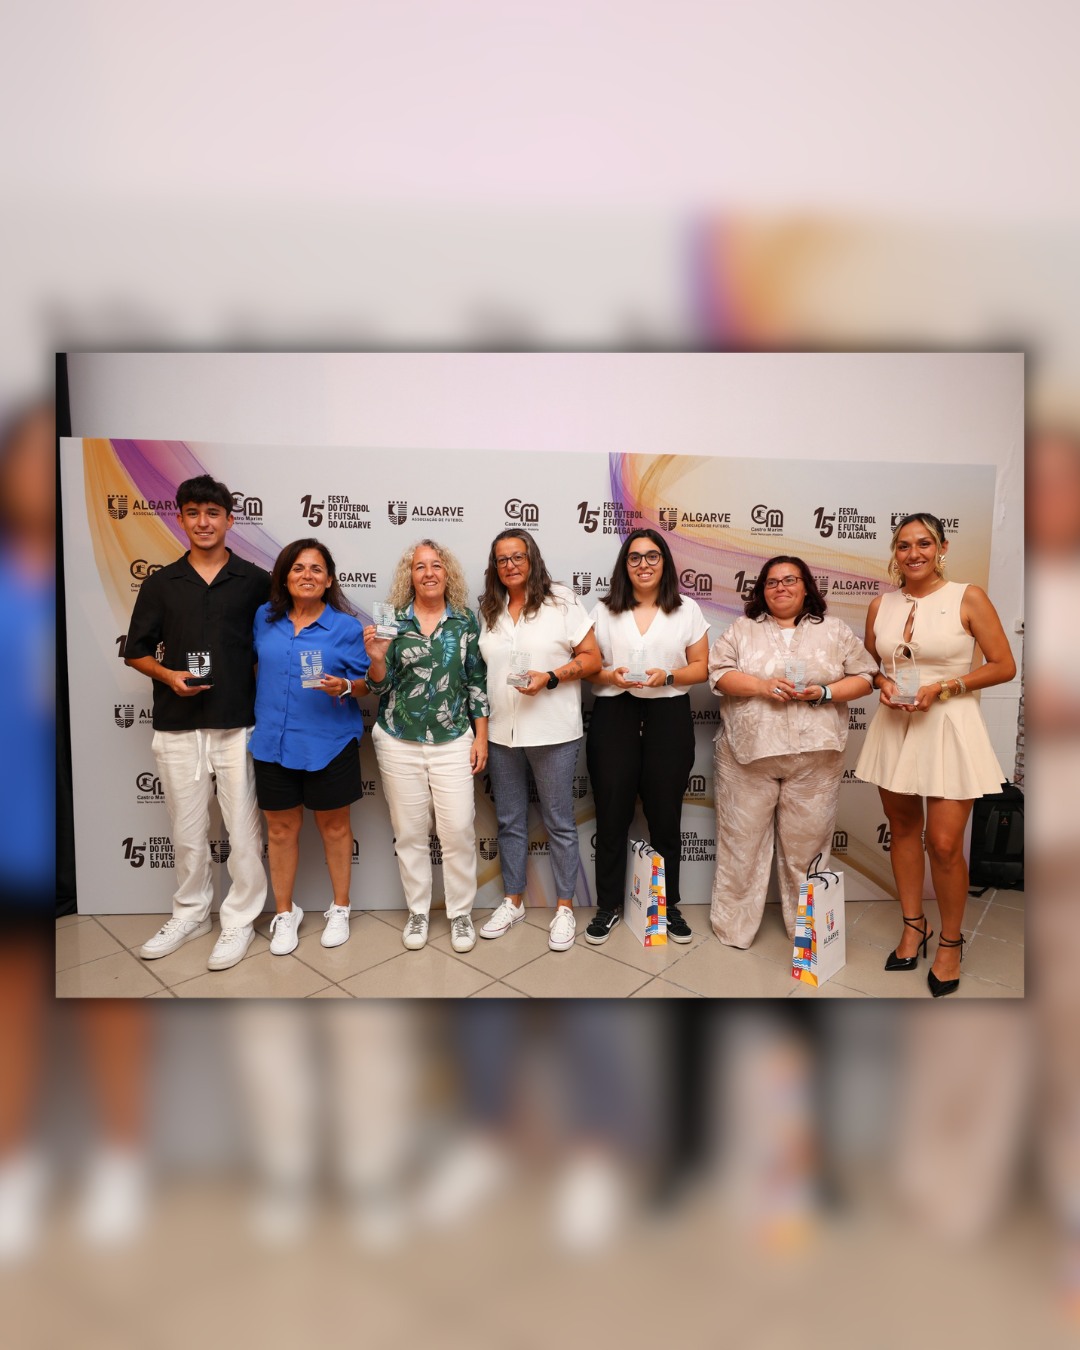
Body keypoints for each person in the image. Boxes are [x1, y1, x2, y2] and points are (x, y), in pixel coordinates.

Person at [855, 513, 1016, 996]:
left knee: (945, 845)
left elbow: (1004, 665)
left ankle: (950, 942)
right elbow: (872, 664)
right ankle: (913, 926)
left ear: (942, 548)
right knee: (903, 829)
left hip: (949, 725)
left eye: (924, 543)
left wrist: (945, 687)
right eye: (904, 545)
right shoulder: (880, 604)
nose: (914, 553)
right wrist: (882, 683)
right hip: (895, 725)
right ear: (895, 552)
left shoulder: (968, 596)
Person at [126, 474, 270, 970]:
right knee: (187, 833)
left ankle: (240, 920)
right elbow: (136, 651)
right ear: (180, 519)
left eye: (212, 513)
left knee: (244, 834)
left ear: (230, 520)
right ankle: (191, 914)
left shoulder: (256, 581)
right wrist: (168, 676)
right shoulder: (160, 583)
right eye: (193, 513)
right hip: (177, 725)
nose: (203, 522)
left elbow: (275, 646)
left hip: (238, 724)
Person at [707, 556, 876, 948]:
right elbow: (718, 674)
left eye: (789, 580)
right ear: (761, 591)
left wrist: (825, 692)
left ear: (806, 586)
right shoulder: (742, 629)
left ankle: (807, 928)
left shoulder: (834, 630)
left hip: (816, 760)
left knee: (808, 851)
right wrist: (761, 686)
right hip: (747, 757)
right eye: (772, 582)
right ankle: (734, 928)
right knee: (741, 848)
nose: (780, 587)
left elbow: (866, 677)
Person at [476, 531, 601, 952]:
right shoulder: (489, 609)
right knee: (509, 821)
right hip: (502, 734)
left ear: (532, 559)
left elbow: (592, 659)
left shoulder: (561, 601)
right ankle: (513, 902)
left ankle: (564, 907)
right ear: (494, 567)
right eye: (502, 559)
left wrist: (550, 677)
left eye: (517, 556)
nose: (510, 565)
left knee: (559, 821)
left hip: (552, 732)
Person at [363, 540, 489, 954]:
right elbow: (379, 687)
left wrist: (481, 736)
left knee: (458, 831)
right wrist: (376, 659)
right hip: (399, 739)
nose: (429, 573)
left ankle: (460, 914)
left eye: (436, 565)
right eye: (420, 566)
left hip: (453, 740)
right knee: (410, 833)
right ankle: (418, 911)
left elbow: (476, 682)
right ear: (410, 575)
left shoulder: (465, 621)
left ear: (447, 573)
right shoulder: (392, 623)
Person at [583, 529, 709, 944]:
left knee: (665, 816)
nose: (643, 564)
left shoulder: (686, 609)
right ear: (625, 565)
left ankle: (668, 906)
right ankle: (608, 906)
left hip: (668, 715)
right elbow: (588, 665)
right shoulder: (604, 610)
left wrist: (668, 676)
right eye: (634, 557)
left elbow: (701, 666)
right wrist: (610, 676)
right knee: (612, 814)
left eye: (652, 556)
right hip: (614, 714)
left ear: (664, 562)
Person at [250, 539, 370, 955]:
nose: (307, 575)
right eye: (298, 568)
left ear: (329, 579)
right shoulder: (264, 618)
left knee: (335, 829)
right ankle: (286, 912)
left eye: (316, 569)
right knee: (280, 831)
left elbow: (369, 683)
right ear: (285, 577)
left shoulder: (347, 628)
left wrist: (346, 686)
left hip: (329, 743)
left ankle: (340, 908)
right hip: (273, 742)